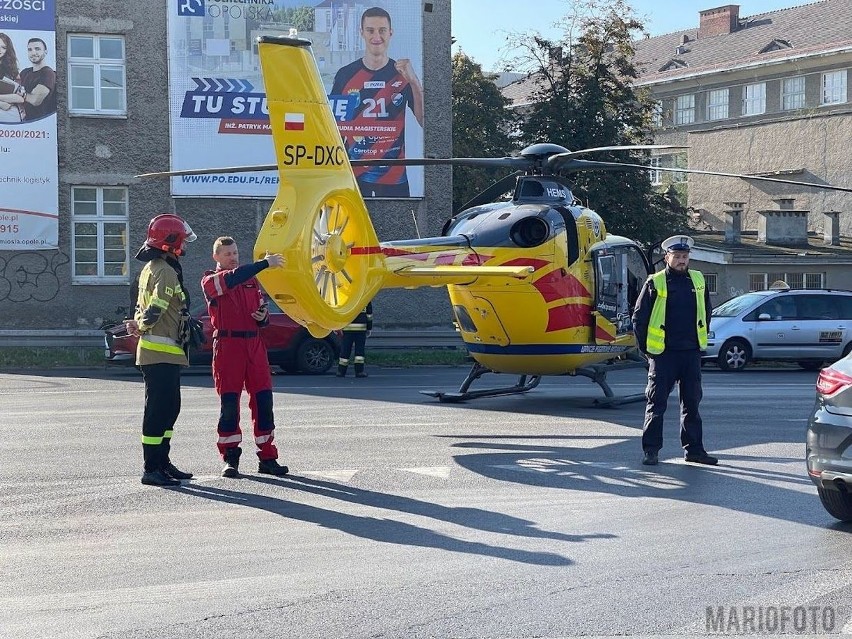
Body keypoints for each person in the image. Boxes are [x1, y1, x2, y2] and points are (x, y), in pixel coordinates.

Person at [201, 237, 289, 478]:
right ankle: (230, 458)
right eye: (227, 254)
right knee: (229, 404)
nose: (233, 257)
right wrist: (264, 263)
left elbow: (263, 315)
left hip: (254, 343)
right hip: (228, 345)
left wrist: (263, 317)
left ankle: (268, 457)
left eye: (235, 252)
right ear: (216, 257)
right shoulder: (211, 280)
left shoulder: (250, 281)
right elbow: (232, 278)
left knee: (263, 401)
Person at [632, 235, 717, 466]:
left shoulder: (698, 280)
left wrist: (699, 342)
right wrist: (647, 351)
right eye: (677, 256)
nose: (681, 260)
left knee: (692, 404)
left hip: (690, 353)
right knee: (656, 404)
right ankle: (651, 451)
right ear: (667, 257)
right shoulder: (655, 282)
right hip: (664, 355)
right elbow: (639, 318)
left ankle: (694, 451)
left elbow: (706, 312)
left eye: (685, 256)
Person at [125, 214, 197, 487]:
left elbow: (139, 301)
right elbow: (156, 307)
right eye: (182, 241)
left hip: (165, 352)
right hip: (159, 352)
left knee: (169, 409)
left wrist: (137, 323)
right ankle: (152, 467)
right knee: (158, 411)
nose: (185, 247)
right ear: (171, 242)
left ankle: (163, 463)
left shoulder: (152, 268)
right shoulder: (165, 270)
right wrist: (141, 326)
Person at [330, 6, 424, 198]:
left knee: (398, 228)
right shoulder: (345, 75)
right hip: (354, 176)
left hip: (394, 177)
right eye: (370, 30)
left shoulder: (403, 74)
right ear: (361, 33)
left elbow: (425, 122)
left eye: (382, 30)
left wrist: (414, 82)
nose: (376, 36)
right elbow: (333, 127)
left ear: (391, 33)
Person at [19, 37, 56, 121]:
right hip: (21, 122)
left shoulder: (48, 73)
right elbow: (11, 88)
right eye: (30, 50)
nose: (33, 53)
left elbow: (35, 100)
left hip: (39, 124)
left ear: (45, 52)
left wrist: (19, 94)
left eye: (37, 49)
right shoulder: (25, 72)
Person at [336, 302, 373, 378]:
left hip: (347, 329)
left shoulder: (348, 298)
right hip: (361, 329)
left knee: (345, 350)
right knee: (359, 352)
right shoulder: (366, 297)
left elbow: (341, 312)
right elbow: (369, 315)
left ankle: (341, 371)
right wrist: (369, 328)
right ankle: (359, 372)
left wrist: (339, 326)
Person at [0, 33, 24, 123]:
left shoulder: (12, 71)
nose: (0, 50)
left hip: (11, 115)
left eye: (4, 47)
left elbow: (19, 99)